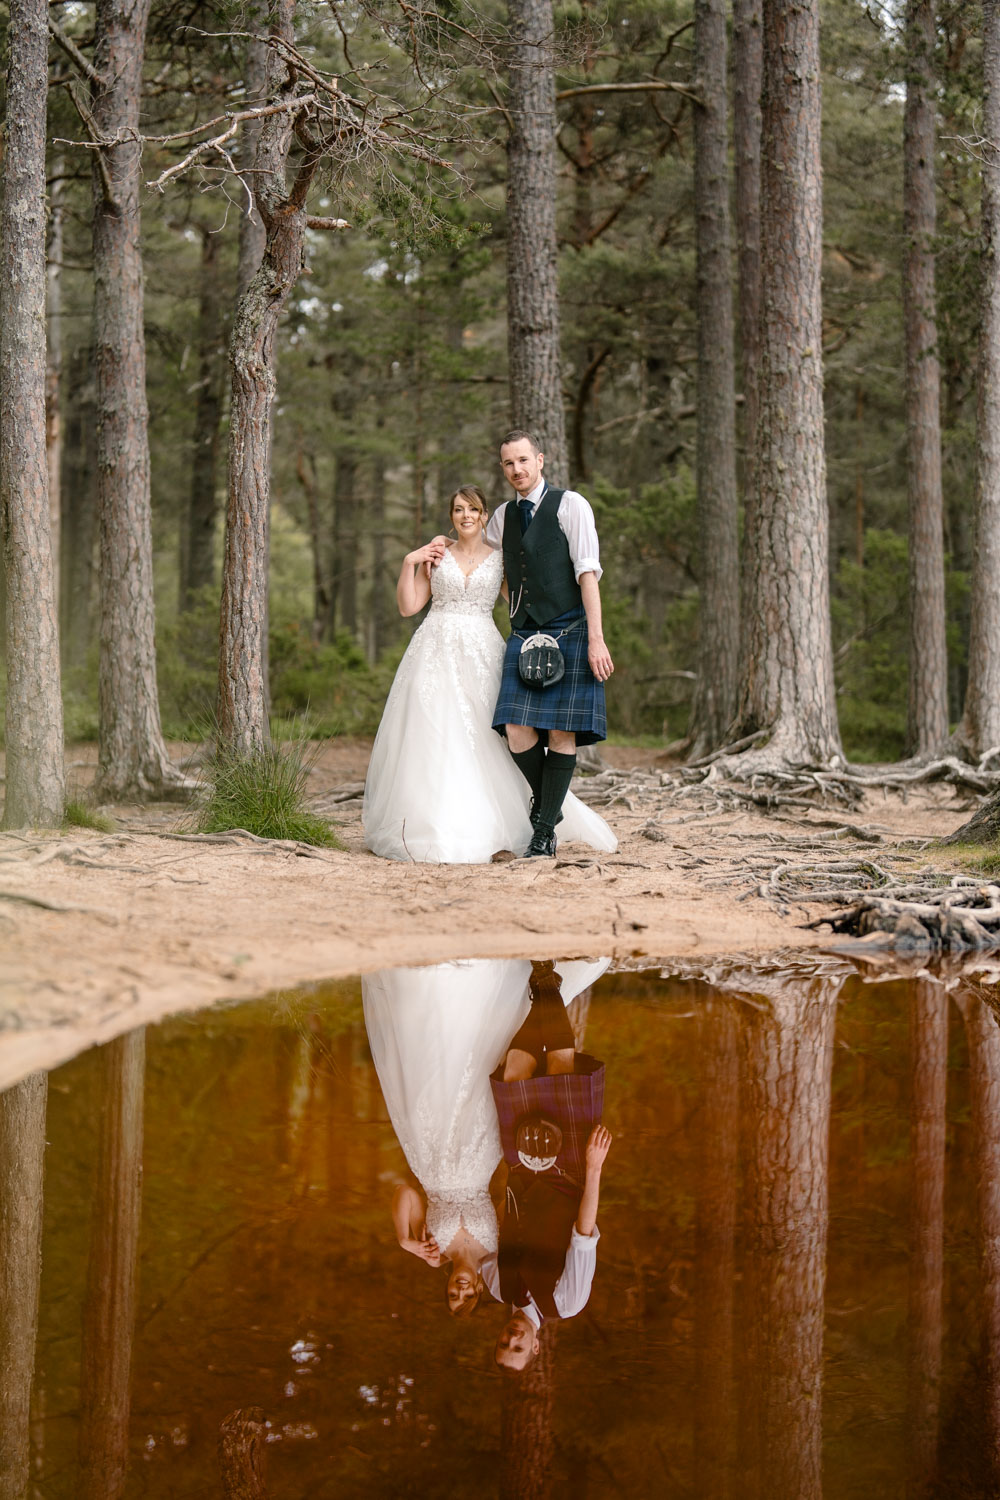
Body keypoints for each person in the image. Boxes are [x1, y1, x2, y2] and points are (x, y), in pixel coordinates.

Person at [363, 485, 616, 863]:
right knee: (433, 732)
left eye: (474, 509)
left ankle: (543, 813)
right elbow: (408, 606)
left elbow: (524, 594)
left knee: (492, 733)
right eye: (458, 509)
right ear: (451, 516)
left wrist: (570, 624)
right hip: (433, 649)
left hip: (483, 648)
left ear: (484, 517)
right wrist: (409, 561)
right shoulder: (437, 554)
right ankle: (432, 822)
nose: (466, 515)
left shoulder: (499, 559)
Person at [362, 958, 607, 1318]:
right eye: (467, 1298)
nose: (459, 1292)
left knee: (440, 1071)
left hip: (433, 1158)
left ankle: (526, 986)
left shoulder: (433, 1253)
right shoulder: (497, 1257)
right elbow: (524, 1212)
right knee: (512, 1071)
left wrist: (406, 1240)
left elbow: (406, 1194)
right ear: (479, 1289)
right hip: (482, 1154)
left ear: (446, 1287)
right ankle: (544, 983)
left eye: (451, 1297)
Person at [485, 431, 614, 858]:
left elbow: (587, 575)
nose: (517, 469)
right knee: (516, 728)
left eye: (523, 460)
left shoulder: (571, 505)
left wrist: (596, 639)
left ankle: (542, 832)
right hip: (524, 634)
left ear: (540, 460)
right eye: (508, 463)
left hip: (573, 630)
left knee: (561, 732)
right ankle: (550, 807)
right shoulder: (501, 517)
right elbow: (487, 568)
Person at [481, 960, 613, 1371]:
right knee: (560, 1068)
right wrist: (593, 1167)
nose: (512, 1337)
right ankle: (545, 981)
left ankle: (544, 984)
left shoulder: (495, 1286)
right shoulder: (567, 1304)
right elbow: (583, 1234)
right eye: (518, 1348)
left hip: (519, 1166)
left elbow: (492, 1223)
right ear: (535, 1348)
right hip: (569, 1172)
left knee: (515, 1071)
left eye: (503, 1343)